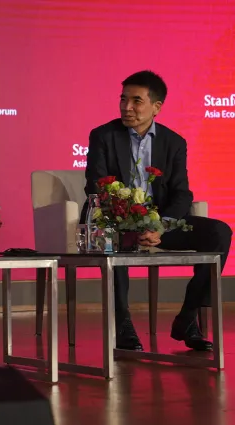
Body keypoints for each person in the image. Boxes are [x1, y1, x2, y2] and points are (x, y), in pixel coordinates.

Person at [83, 70, 232, 352]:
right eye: (123, 99)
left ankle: (188, 317)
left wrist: (160, 226)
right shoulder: (103, 135)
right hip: (116, 219)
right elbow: (96, 184)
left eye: (136, 100)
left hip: (158, 225)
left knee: (219, 232)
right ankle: (122, 322)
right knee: (114, 236)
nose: (127, 107)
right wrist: (128, 216)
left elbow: (181, 192)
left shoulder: (174, 142)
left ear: (156, 107)